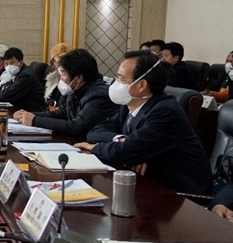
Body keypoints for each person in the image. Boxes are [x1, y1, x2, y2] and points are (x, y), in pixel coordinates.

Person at [76, 50, 212, 195]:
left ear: (141, 85)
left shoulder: (165, 112)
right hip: (149, 182)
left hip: (182, 195)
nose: (116, 83)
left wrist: (94, 147)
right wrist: (122, 140)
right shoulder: (128, 105)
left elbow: (124, 152)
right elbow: (94, 132)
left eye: (121, 78)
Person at [14, 49, 118, 141]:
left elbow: (76, 127)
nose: (61, 78)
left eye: (64, 74)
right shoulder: (75, 91)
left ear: (79, 78)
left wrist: (34, 120)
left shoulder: (99, 96)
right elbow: (59, 115)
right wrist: (28, 115)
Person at [0, 47, 45, 112]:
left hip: (32, 112)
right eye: (6, 63)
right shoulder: (18, 73)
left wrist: (6, 89)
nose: (9, 66)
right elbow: (1, 88)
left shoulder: (26, 76)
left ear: (21, 63)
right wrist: (5, 88)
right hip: (21, 109)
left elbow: (4, 95)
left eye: (12, 62)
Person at [44, 42, 71, 108]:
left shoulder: (74, 82)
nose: (64, 65)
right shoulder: (52, 82)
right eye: (60, 62)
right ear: (52, 64)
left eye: (67, 61)